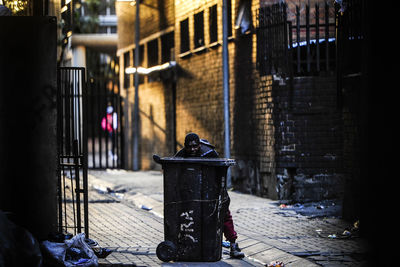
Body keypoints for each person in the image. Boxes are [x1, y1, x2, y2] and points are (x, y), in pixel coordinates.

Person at [174, 133, 245, 259]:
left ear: (199, 145)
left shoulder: (209, 153)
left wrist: (219, 192)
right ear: (185, 146)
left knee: (224, 215)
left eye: (195, 146)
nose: (192, 149)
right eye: (189, 147)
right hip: (191, 194)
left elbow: (220, 173)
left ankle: (233, 245)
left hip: (211, 191)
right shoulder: (181, 154)